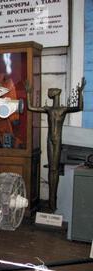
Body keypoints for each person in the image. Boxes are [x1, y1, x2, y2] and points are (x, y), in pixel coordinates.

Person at [26, 78, 86, 211]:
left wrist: (80, 92)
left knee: (54, 169)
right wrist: (28, 93)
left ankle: (53, 203)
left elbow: (79, 107)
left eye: (51, 91)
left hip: (57, 140)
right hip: (50, 140)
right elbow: (30, 107)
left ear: (56, 94)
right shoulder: (48, 109)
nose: (49, 92)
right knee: (51, 169)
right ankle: (51, 203)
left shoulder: (63, 109)